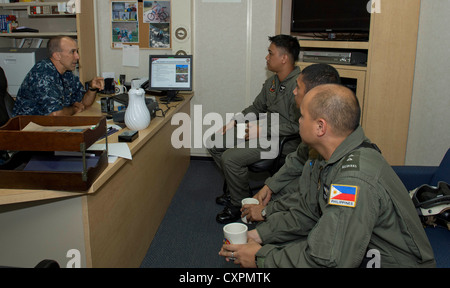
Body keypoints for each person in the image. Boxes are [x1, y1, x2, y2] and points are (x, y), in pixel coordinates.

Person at [219, 84, 436, 268]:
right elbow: (308, 213)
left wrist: (261, 258)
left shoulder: (353, 181)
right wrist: (259, 236)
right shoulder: (329, 157)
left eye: (302, 116)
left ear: (320, 127)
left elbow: (327, 259)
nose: (299, 122)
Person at [207, 35, 302, 224]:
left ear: (284, 58)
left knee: (230, 158)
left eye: (270, 53)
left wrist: (264, 130)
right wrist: (234, 122)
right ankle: (238, 191)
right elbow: (256, 108)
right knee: (214, 142)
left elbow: (298, 126)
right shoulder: (272, 83)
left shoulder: (300, 85)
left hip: (284, 141)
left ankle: (239, 204)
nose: (267, 57)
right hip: (262, 132)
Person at [241, 63, 341, 223]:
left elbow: (329, 237)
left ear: (314, 95)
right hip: (314, 201)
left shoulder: (348, 179)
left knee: (278, 206)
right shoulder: (319, 130)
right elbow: (297, 159)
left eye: (298, 88)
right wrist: (269, 186)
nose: (294, 91)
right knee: (276, 194)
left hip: (330, 231)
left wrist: (266, 214)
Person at [12, 36, 104, 117]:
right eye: (72, 52)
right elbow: (56, 114)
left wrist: (92, 89)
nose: (77, 56)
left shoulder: (66, 72)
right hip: (29, 129)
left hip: (52, 126)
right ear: (57, 55)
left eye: (77, 51)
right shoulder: (43, 73)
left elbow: (83, 103)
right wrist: (74, 109)